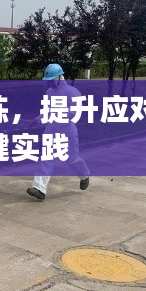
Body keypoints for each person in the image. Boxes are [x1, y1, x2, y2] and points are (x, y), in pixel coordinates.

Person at [27, 63, 90, 200]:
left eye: (51, 80)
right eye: (48, 80)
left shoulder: (72, 92)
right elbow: (46, 111)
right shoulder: (49, 93)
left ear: (60, 77)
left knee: (72, 159)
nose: (49, 83)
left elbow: (75, 112)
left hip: (67, 132)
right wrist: (38, 120)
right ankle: (39, 189)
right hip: (51, 131)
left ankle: (84, 175)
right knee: (46, 159)